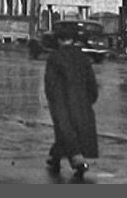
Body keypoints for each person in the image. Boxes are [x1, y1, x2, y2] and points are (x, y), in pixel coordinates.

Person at [43, 24, 100, 179]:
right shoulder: (82, 57)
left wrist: (52, 100)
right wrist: (89, 99)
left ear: (58, 40)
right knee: (73, 130)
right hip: (81, 100)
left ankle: (77, 160)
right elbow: (91, 82)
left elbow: (50, 82)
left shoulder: (54, 57)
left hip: (61, 100)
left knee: (65, 130)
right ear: (73, 40)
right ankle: (54, 158)